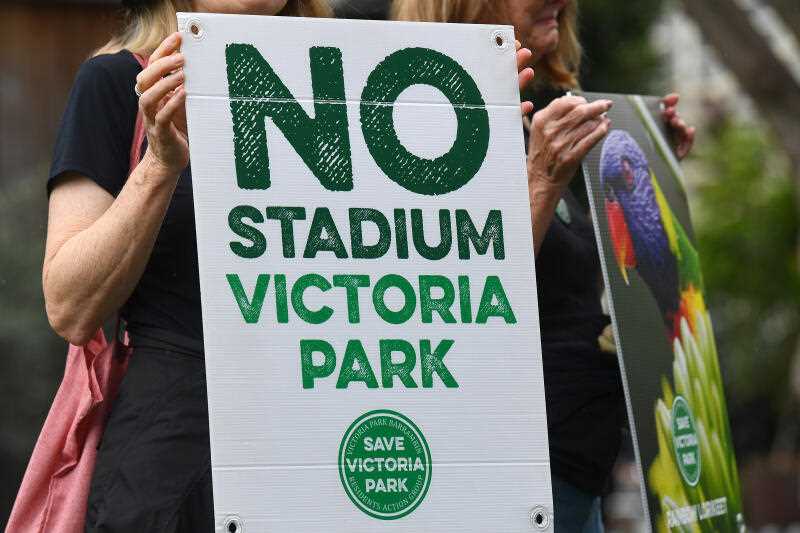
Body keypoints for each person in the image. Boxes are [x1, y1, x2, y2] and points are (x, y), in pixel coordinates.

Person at [391, 0, 695, 531]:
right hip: (514, 480)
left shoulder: (522, 125)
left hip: (576, 471)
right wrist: (542, 181)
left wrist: (647, 165)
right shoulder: (422, 130)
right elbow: (455, 297)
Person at [43, 0, 331, 530]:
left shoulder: (350, 83)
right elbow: (69, 307)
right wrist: (160, 165)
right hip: (174, 459)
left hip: (329, 435)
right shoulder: (118, 83)